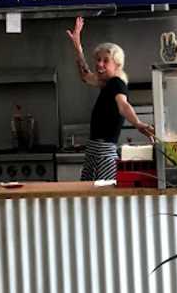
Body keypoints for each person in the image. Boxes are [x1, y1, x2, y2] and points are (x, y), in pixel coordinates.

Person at [66, 16, 154, 181]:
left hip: (103, 152)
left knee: (101, 197)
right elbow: (85, 76)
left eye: (106, 61)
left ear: (117, 65)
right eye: (98, 60)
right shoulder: (106, 84)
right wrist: (77, 46)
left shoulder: (116, 83)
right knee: (90, 196)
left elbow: (123, 105)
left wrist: (138, 123)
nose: (99, 64)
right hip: (94, 150)